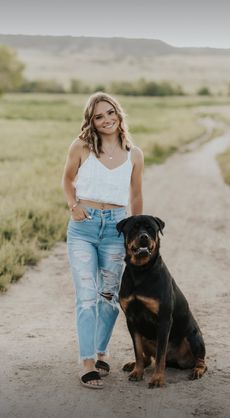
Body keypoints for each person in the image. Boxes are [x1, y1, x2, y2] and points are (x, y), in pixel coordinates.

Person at [62, 92, 144, 389]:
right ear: (92, 122)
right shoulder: (81, 146)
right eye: (99, 116)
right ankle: (87, 363)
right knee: (86, 296)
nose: (106, 119)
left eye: (110, 113)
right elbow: (67, 180)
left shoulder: (134, 153)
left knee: (108, 297)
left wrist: (136, 236)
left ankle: (99, 353)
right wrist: (73, 206)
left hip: (115, 229)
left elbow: (135, 196)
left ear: (119, 114)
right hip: (83, 229)